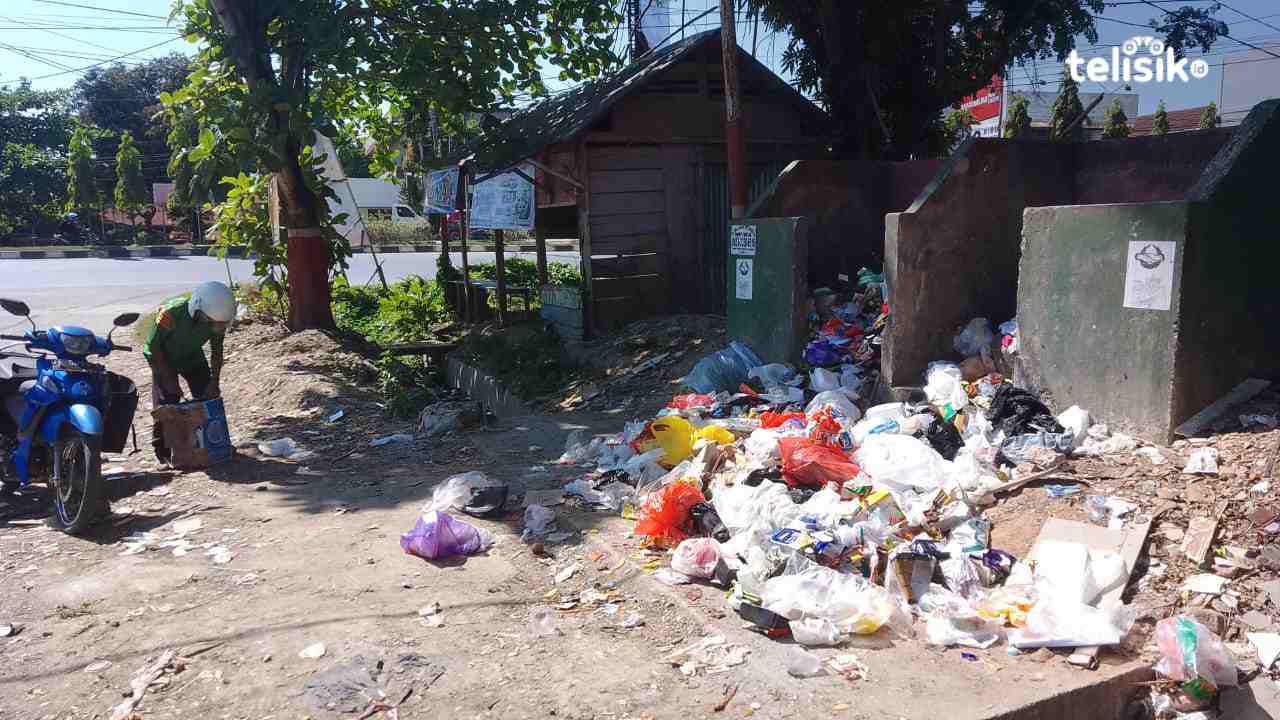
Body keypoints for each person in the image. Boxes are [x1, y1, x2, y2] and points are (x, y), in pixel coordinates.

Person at [141, 281, 236, 463]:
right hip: (161, 357)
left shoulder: (217, 318)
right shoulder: (171, 313)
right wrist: (169, 379)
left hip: (191, 356)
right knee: (167, 403)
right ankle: (164, 453)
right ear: (197, 309)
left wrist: (214, 382)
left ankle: (211, 446)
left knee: (209, 399)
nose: (214, 327)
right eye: (210, 322)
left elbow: (217, 352)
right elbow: (154, 348)